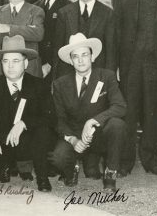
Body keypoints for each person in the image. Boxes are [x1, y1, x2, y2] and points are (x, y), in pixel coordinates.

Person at [0, 35, 56, 192]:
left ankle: (42, 177)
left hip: (29, 143)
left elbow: (50, 117)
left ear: (26, 63)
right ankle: (7, 167)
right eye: (6, 61)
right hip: (2, 143)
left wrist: (24, 123)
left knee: (43, 131)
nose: (10, 66)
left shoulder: (38, 85)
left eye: (16, 61)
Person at [49, 33, 126, 191]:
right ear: (70, 61)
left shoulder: (106, 76)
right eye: (75, 56)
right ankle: (72, 169)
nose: (80, 60)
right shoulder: (60, 84)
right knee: (58, 159)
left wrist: (93, 121)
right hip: (75, 136)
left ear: (92, 57)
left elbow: (120, 106)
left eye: (85, 54)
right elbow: (59, 119)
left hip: (98, 134)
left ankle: (110, 176)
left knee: (117, 125)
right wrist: (73, 140)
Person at [114, 0, 157, 176]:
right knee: (129, 112)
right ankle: (125, 161)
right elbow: (116, 32)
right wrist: (116, 66)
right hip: (131, 65)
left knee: (153, 112)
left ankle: (150, 158)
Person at [54, 0, 115, 78]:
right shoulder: (64, 13)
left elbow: (111, 54)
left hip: (98, 77)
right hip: (69, 78)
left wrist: (108, 82)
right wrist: (56, 81)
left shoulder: (107, 14)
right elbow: (58, 51)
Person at [33, 0, 71, 84]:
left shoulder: (69, 7)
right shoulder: (35, 7)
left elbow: (66, 40)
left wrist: (49, 63)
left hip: (58, 69)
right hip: (36, 66)